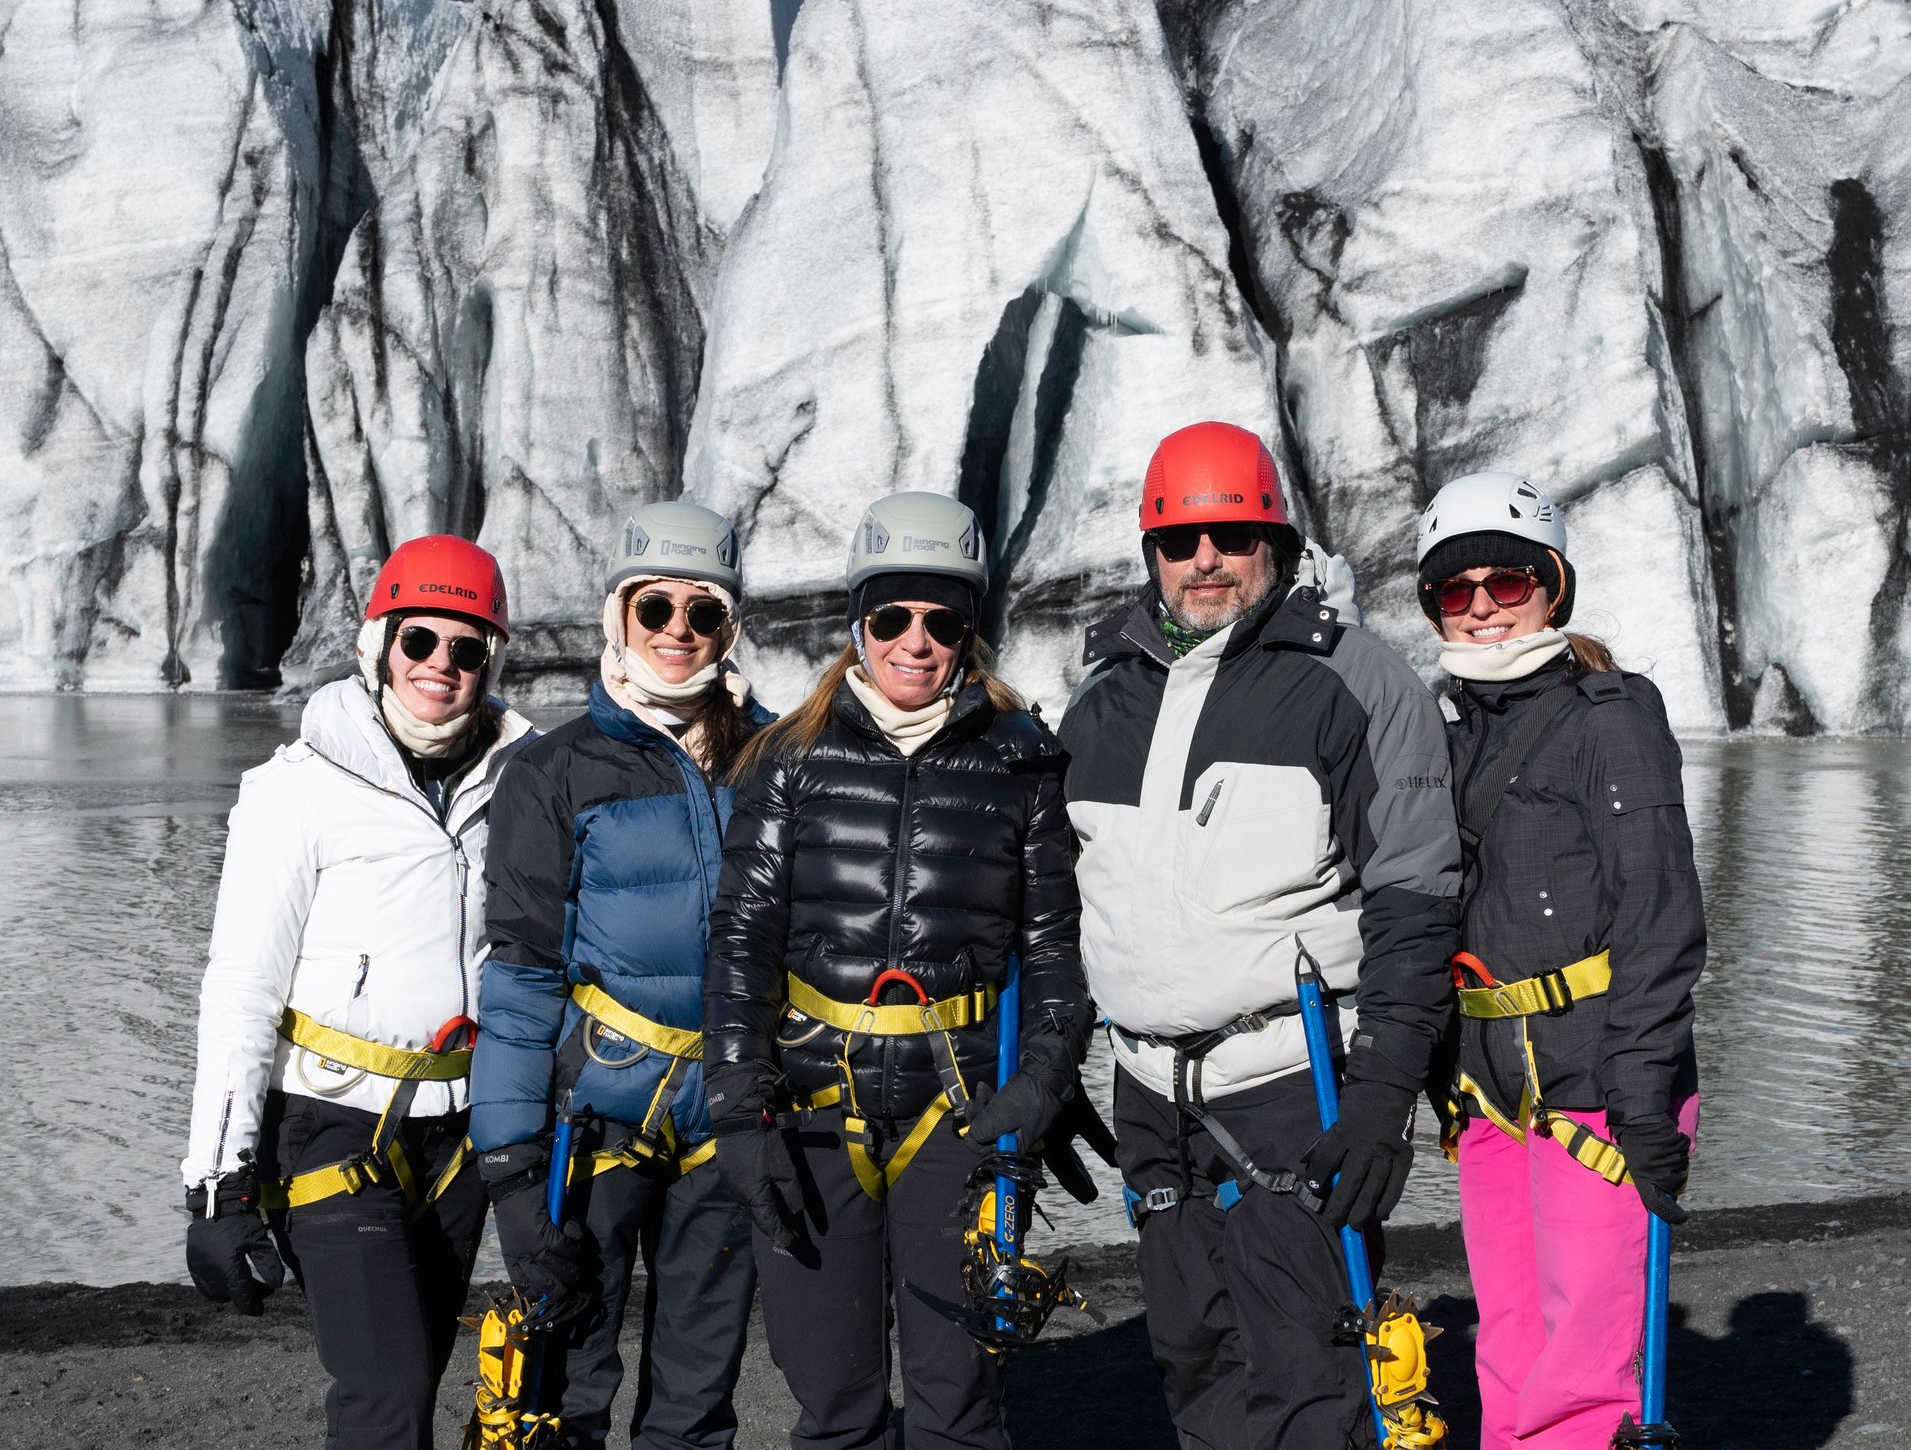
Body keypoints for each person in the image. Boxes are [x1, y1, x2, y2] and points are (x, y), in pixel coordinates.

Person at [1057, 421, 1462, 1450]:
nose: (1206, 561)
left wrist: (1381, 1096)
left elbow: (1415, 902)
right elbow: (1063, 903)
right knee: (1193, 1364)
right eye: (1180, 540)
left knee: (1310, 1378)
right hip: (1150, 1094)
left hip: (1297, 1085)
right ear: (1150, 552)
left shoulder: (1357, 681)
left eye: (1232, 536)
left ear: (1274, 539)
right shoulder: (1102, 699)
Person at [703, 491, 1093, 1450]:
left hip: (955, 1116)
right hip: (811, 1111)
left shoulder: (1021, 763)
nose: (915, 642)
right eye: (893, 618)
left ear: (969, 635)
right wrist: (735, 1103)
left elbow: (1052, 952)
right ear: (858, 627)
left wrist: (1041, 1080)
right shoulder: (787, 761)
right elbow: (742, 943)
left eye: (942, 621)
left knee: (959, 1403)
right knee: (833, 1403)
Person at [181, 535, 533, 1450]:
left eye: (467, 647)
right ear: (380, 644)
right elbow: (242, 986)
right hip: (330, 1121)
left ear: (491, 657)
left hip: (460, 1130)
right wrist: (218, 1185)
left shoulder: (522, 780)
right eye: (421, 641)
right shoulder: (294, 791)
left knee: (411, 1385)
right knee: (384, 1391)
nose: (441, 667)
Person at [468, 502, 771, 1450]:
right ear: (620, 616)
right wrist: (512, 1167)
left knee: (698, 1387)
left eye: (702, 612)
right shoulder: (551, 769)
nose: (677, 632)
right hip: (593, 1117)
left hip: (727, 1117)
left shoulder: (775, 756)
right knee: (567, 1378)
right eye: (655, 608)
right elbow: (519, 979)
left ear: (728, 626)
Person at [1415, 470, 1706, 1450]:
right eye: (1457, 590)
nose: (1485, 607)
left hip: (1595, 1084)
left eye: (1508, 582)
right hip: (1492, 1090)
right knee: (1509, 1341)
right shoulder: (1454, 737)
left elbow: (1660, 919)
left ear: (1553, 586)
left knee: (1583, 1365)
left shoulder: (1611, 717)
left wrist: (1643, 1090)